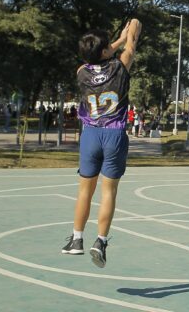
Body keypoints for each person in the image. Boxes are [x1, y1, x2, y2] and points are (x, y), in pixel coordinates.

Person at [62, 19, 142, 268]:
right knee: (109, 191)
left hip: (91, 134)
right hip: (114, 135)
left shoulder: (81, 72)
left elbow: (99, 55)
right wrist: (132, 31)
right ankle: (101, 241)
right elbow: (130, 49)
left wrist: (115, 41)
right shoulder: (120, 67)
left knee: (85, 191)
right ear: (106, 51)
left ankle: (77, 239)